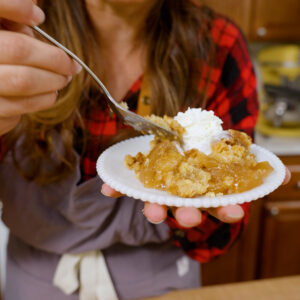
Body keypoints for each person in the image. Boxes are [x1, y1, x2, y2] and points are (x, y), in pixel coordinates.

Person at [0, 0, 290, 299]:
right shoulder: (18, 29)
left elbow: (217, 237)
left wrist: (199, 204)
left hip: (161, 278)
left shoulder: (217, 42)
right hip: (34, 274)